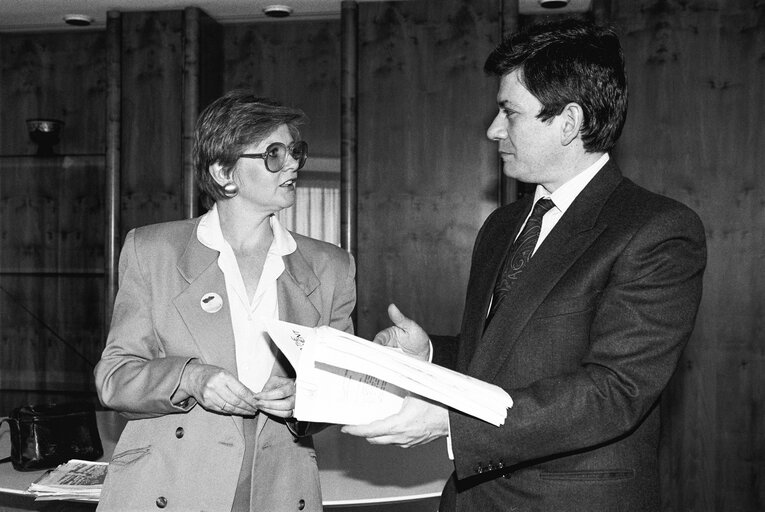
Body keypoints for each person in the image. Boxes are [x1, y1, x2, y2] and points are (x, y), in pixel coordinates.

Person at [342, 18, 706, 512]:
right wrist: (429, 352)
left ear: (569, 123)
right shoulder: (502, 226)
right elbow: (497, 358)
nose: (493, 130)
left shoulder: (656, 229)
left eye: (508, 112)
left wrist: (448, 424)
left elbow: (614, 391)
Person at [94, 90, 356, 512]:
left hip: (280, 490)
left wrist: (302, 397)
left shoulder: (331, 267)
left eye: (295, 151)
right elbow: (114, 377)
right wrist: (190, 378)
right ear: (223, 172)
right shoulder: (152, 250)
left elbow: (343, 388)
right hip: (168, 486)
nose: (291, 164)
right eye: (273, 153)